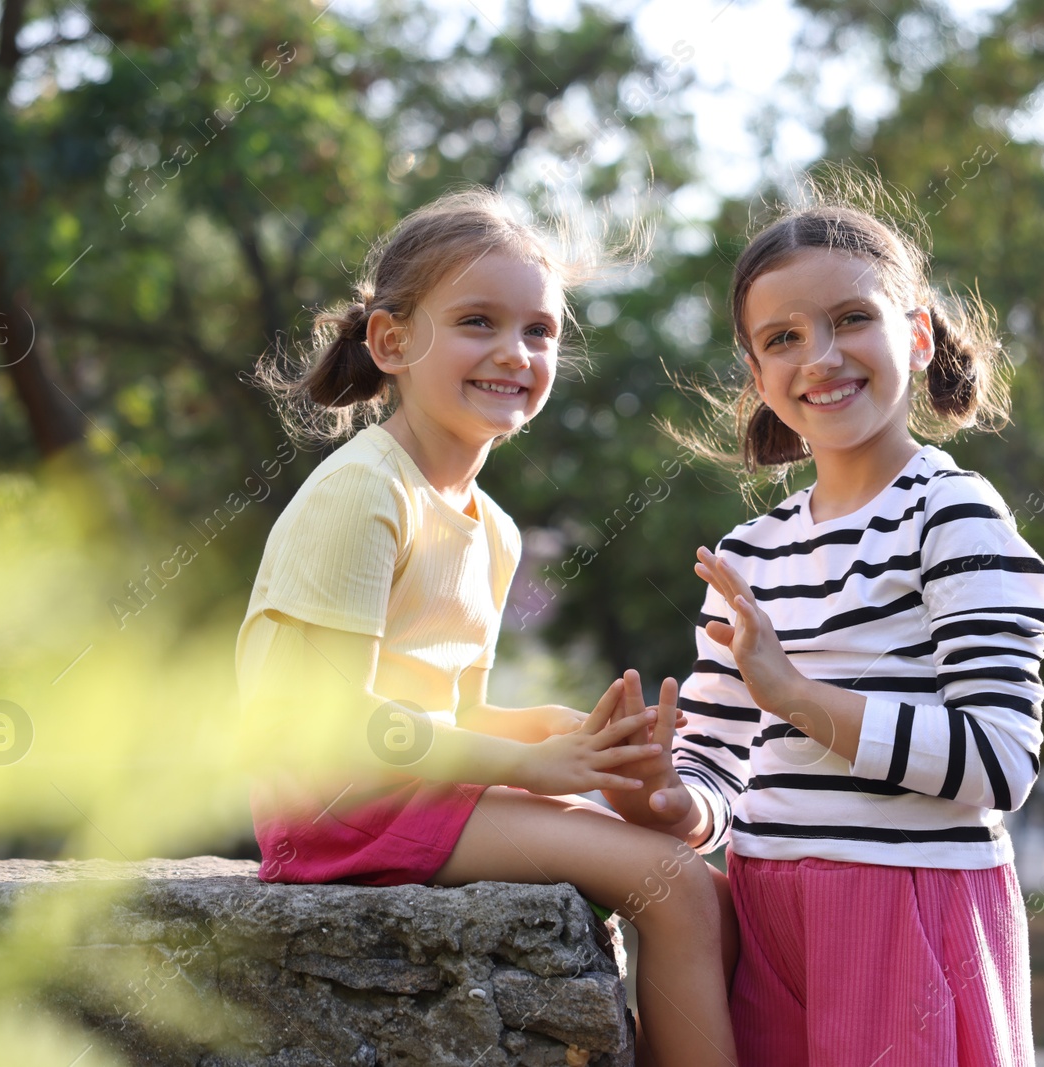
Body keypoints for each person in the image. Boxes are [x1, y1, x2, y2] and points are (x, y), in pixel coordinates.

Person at [236, 188, 739, 1066]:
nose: (514, 352)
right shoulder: (366, 493)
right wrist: (529, 765)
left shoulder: (492, 529)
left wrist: (560, 735)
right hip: (336, 806)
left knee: (717, 894)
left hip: (409, 791)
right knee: (673, 885)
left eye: (539, 331)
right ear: (391, 341)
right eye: (478, 321)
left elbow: (447, 723)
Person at [606, 183, 1044, 1065]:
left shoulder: (954, 515)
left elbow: (1001, 763)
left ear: (916, 336)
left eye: (852, 318)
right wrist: (669, 796)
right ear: (759, 376)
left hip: (907, 911)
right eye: (783, 337)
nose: (821, 355)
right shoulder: (749, 553)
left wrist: (800, 697)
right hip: (768, 914)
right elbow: (721, 763)